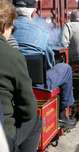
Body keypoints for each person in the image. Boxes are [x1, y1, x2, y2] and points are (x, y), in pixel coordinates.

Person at [12, 0, 76, 128]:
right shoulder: (42, 32)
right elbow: (49, 63)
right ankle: (63, 115)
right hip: (37, 85)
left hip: (10, 82)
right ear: (33, 12)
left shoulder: (5, 30)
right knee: (66, 69)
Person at [0, 0, 41, 152]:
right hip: (3, 138)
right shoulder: (13, 56)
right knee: (35, 120)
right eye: (12, 27)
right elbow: (28, 108)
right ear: (5, 27)